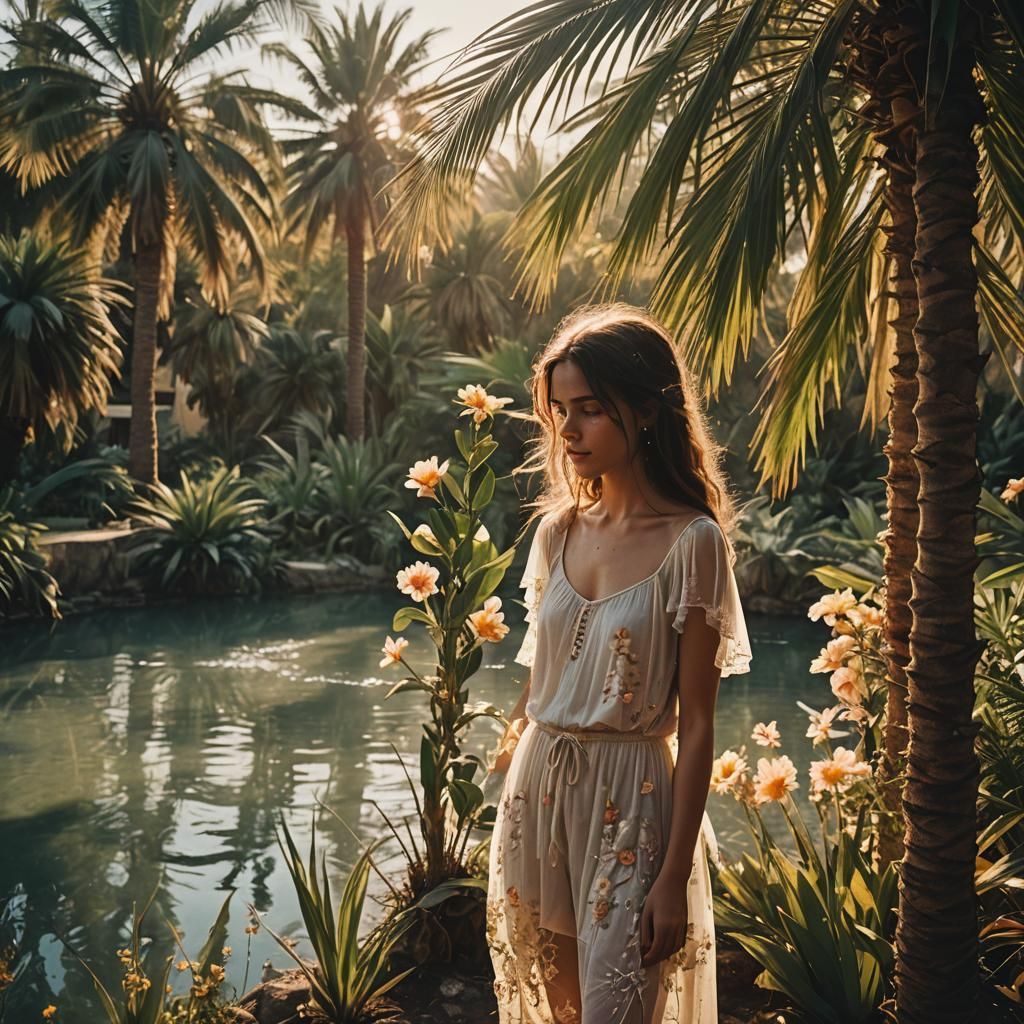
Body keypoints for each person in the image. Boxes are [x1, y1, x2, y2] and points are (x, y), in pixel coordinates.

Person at [484, 304, 752, 1024]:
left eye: (590, 410)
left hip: (632, 806)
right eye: (560, 411)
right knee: (558, 1013)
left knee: (616, 1011)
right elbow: (539, 677)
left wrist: (672, 875)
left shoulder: (693, 544)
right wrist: (504, 766)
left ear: (645, 411)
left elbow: (697, 728)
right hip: (538, 799)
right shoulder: (556, 531)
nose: (567, 430)